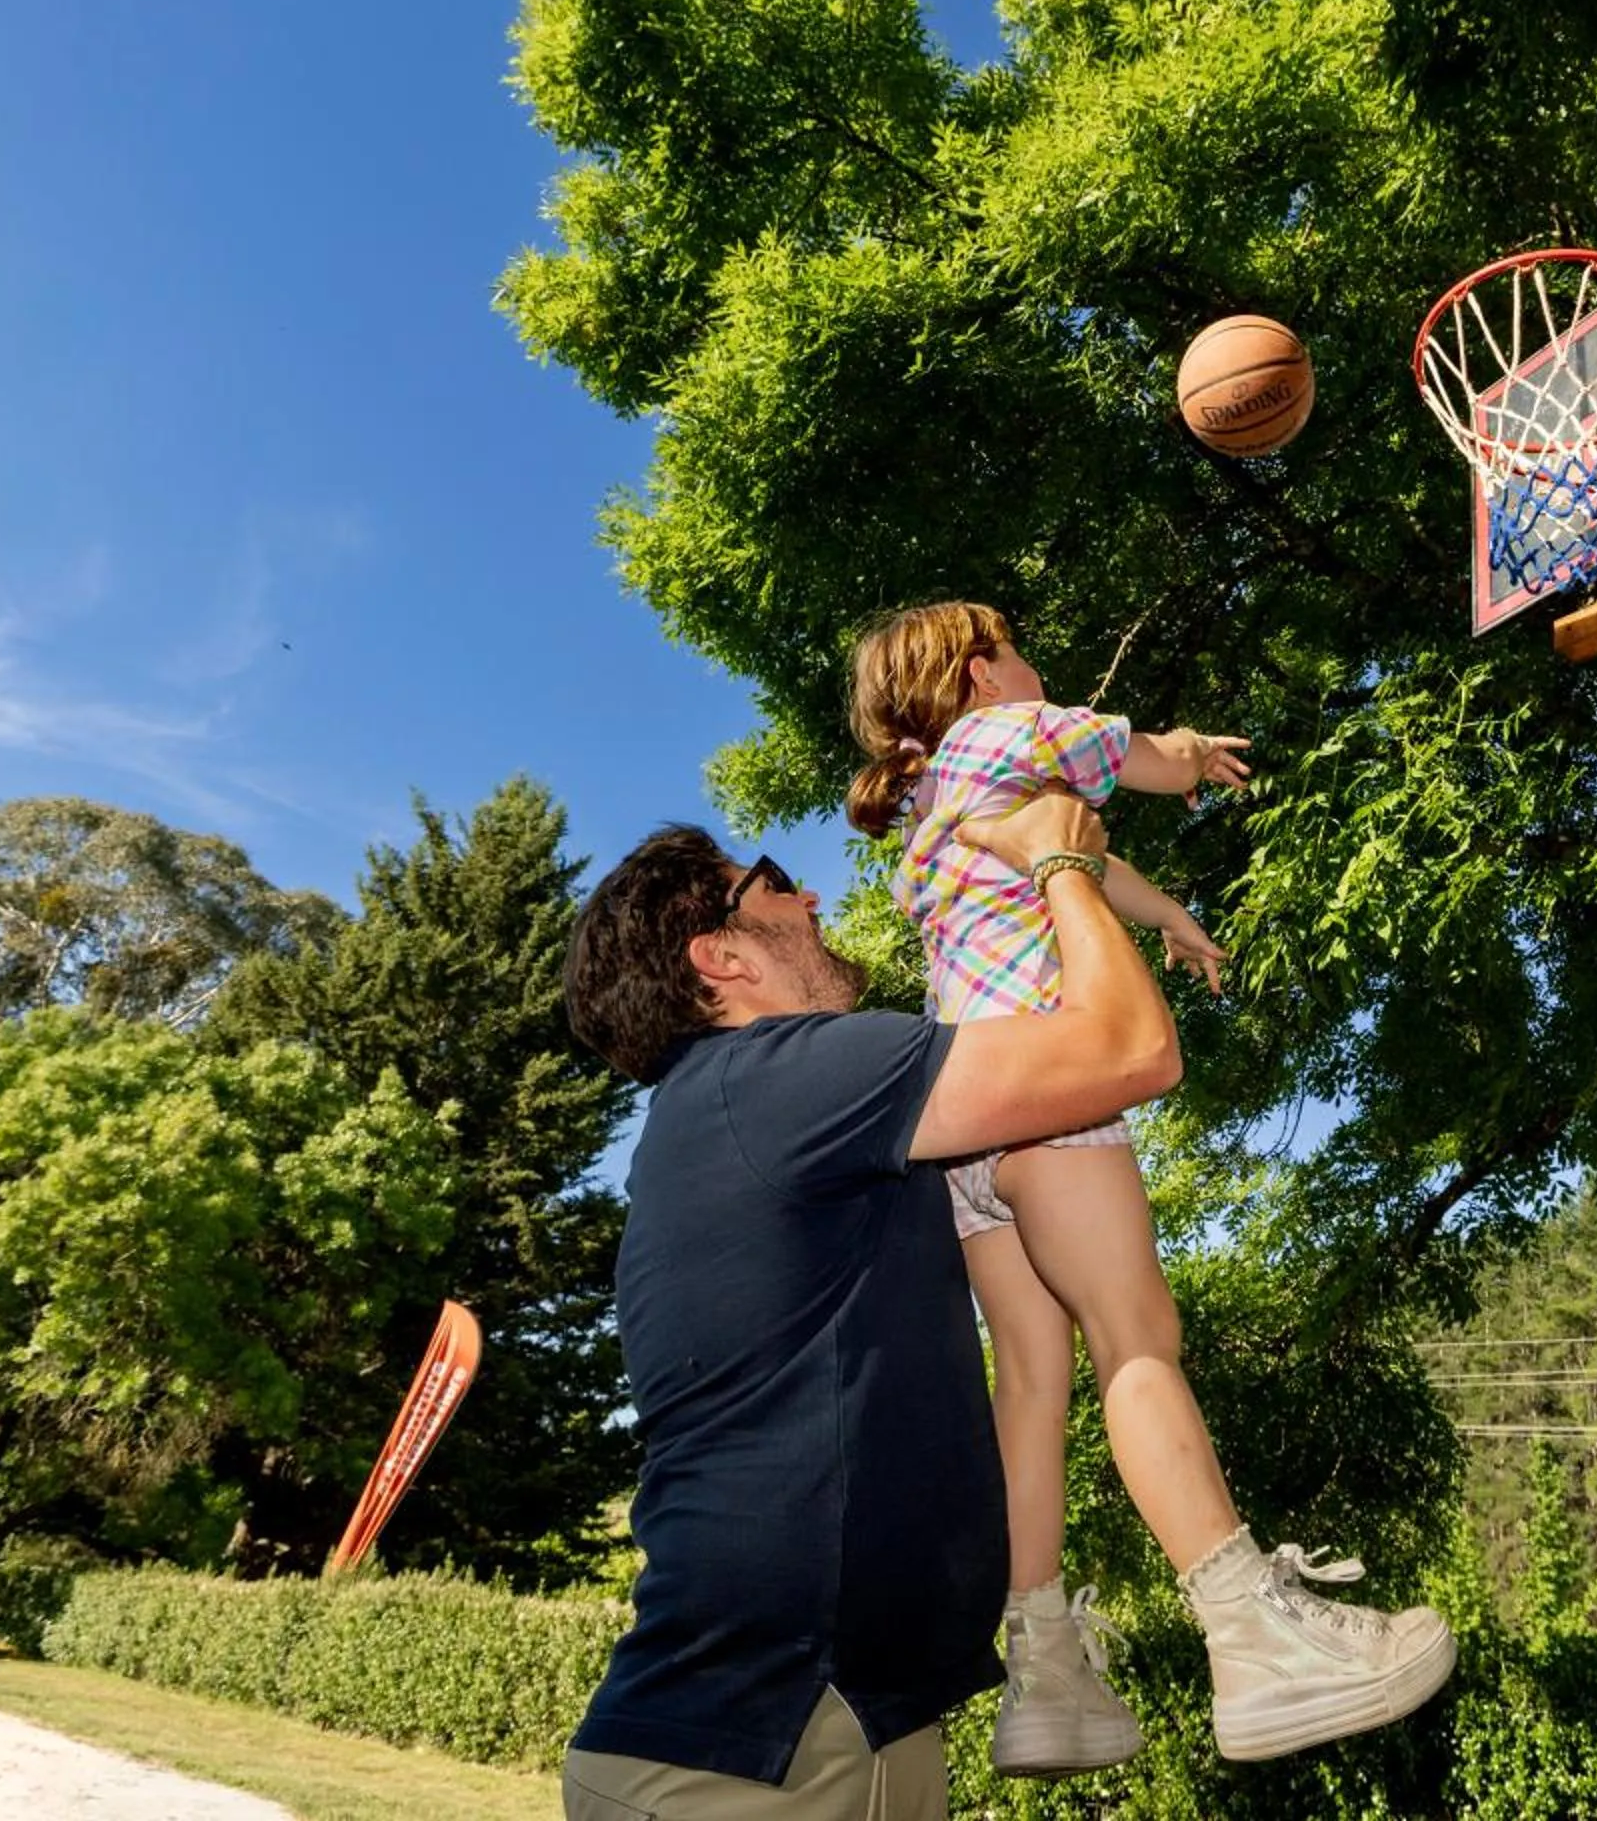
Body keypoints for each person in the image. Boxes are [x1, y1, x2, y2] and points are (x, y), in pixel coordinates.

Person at [844, 600, 1457, 1779]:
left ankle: (1044, 1670)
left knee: (1032, 1376)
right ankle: (1253, 1626)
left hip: (966, 1120)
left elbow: (1085, 852)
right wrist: (1189, 760)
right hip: (1052, 1084)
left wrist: (1167, 913)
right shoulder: (1005, 733)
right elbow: (1135, 758)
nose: (1034, 665)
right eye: (1017, 650)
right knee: (1137, 1337)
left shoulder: (933, 804)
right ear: (980, 673)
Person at [558, 789, 1175, 1821]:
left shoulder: (741, 1111)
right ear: (721, 956)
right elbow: (1128, 1048)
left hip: (848, 1730)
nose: (808, 899)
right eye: (773, 883)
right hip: (746, 1764)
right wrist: (1057, 859)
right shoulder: (775, 1077)